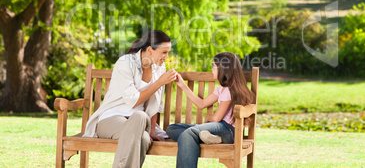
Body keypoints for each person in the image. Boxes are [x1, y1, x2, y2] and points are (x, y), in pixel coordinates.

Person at [83, 30, 177, 168]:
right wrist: (159, 83)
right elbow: (133, 101)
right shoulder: (125, 63)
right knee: (141, 128)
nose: (166, 57)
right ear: (150, 50)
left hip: (139, 123)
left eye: (168, 52)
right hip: (111, 119)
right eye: (164, 52)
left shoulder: (159, 68)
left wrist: (151, 131)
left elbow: (157, 102)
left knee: (145, 134)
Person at [166, 52, 255, 168]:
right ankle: (212, 138)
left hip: (228, 130)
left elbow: (217, 118)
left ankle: (214, 138)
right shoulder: (221, 88)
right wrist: (182, 85)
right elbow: (201, 104)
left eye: (214, 66)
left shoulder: (229, 90)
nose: (212, 69)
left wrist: (208, 118)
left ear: (224, 69)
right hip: (219, 128)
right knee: (171, 128)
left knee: (188, 134)